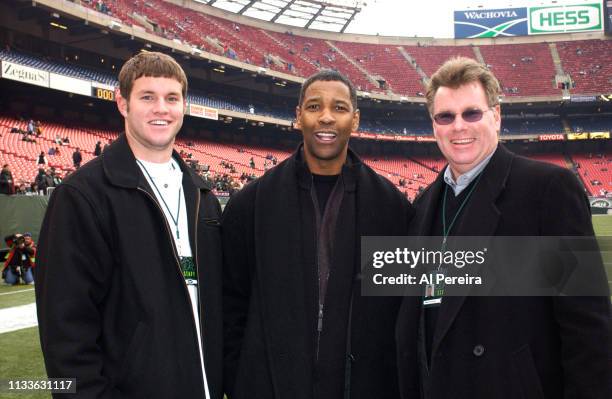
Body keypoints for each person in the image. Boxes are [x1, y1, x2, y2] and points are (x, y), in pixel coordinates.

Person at [395, 57, 611, 399]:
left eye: (472, 113)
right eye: (445, 117)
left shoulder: (548, 188)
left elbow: (587, 326)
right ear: (433, 125)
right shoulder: (423, 205)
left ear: (496, 116)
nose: (458, 126)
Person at [35, 51, 223, 398]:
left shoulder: (202, 194)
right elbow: (65, 330)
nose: (161, 109)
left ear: (184, 105)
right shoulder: (82, 196)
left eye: (171, 98)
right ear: (122, 103)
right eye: (147, 97)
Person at [222, 70, 414, 399]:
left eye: (338, 108)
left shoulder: (391, 207)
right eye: (314, 107)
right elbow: (230, 305)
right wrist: (243, 379)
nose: (325, 117)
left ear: (355, 121)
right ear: (298, 117)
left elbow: (400, 311)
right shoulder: (251, 203)